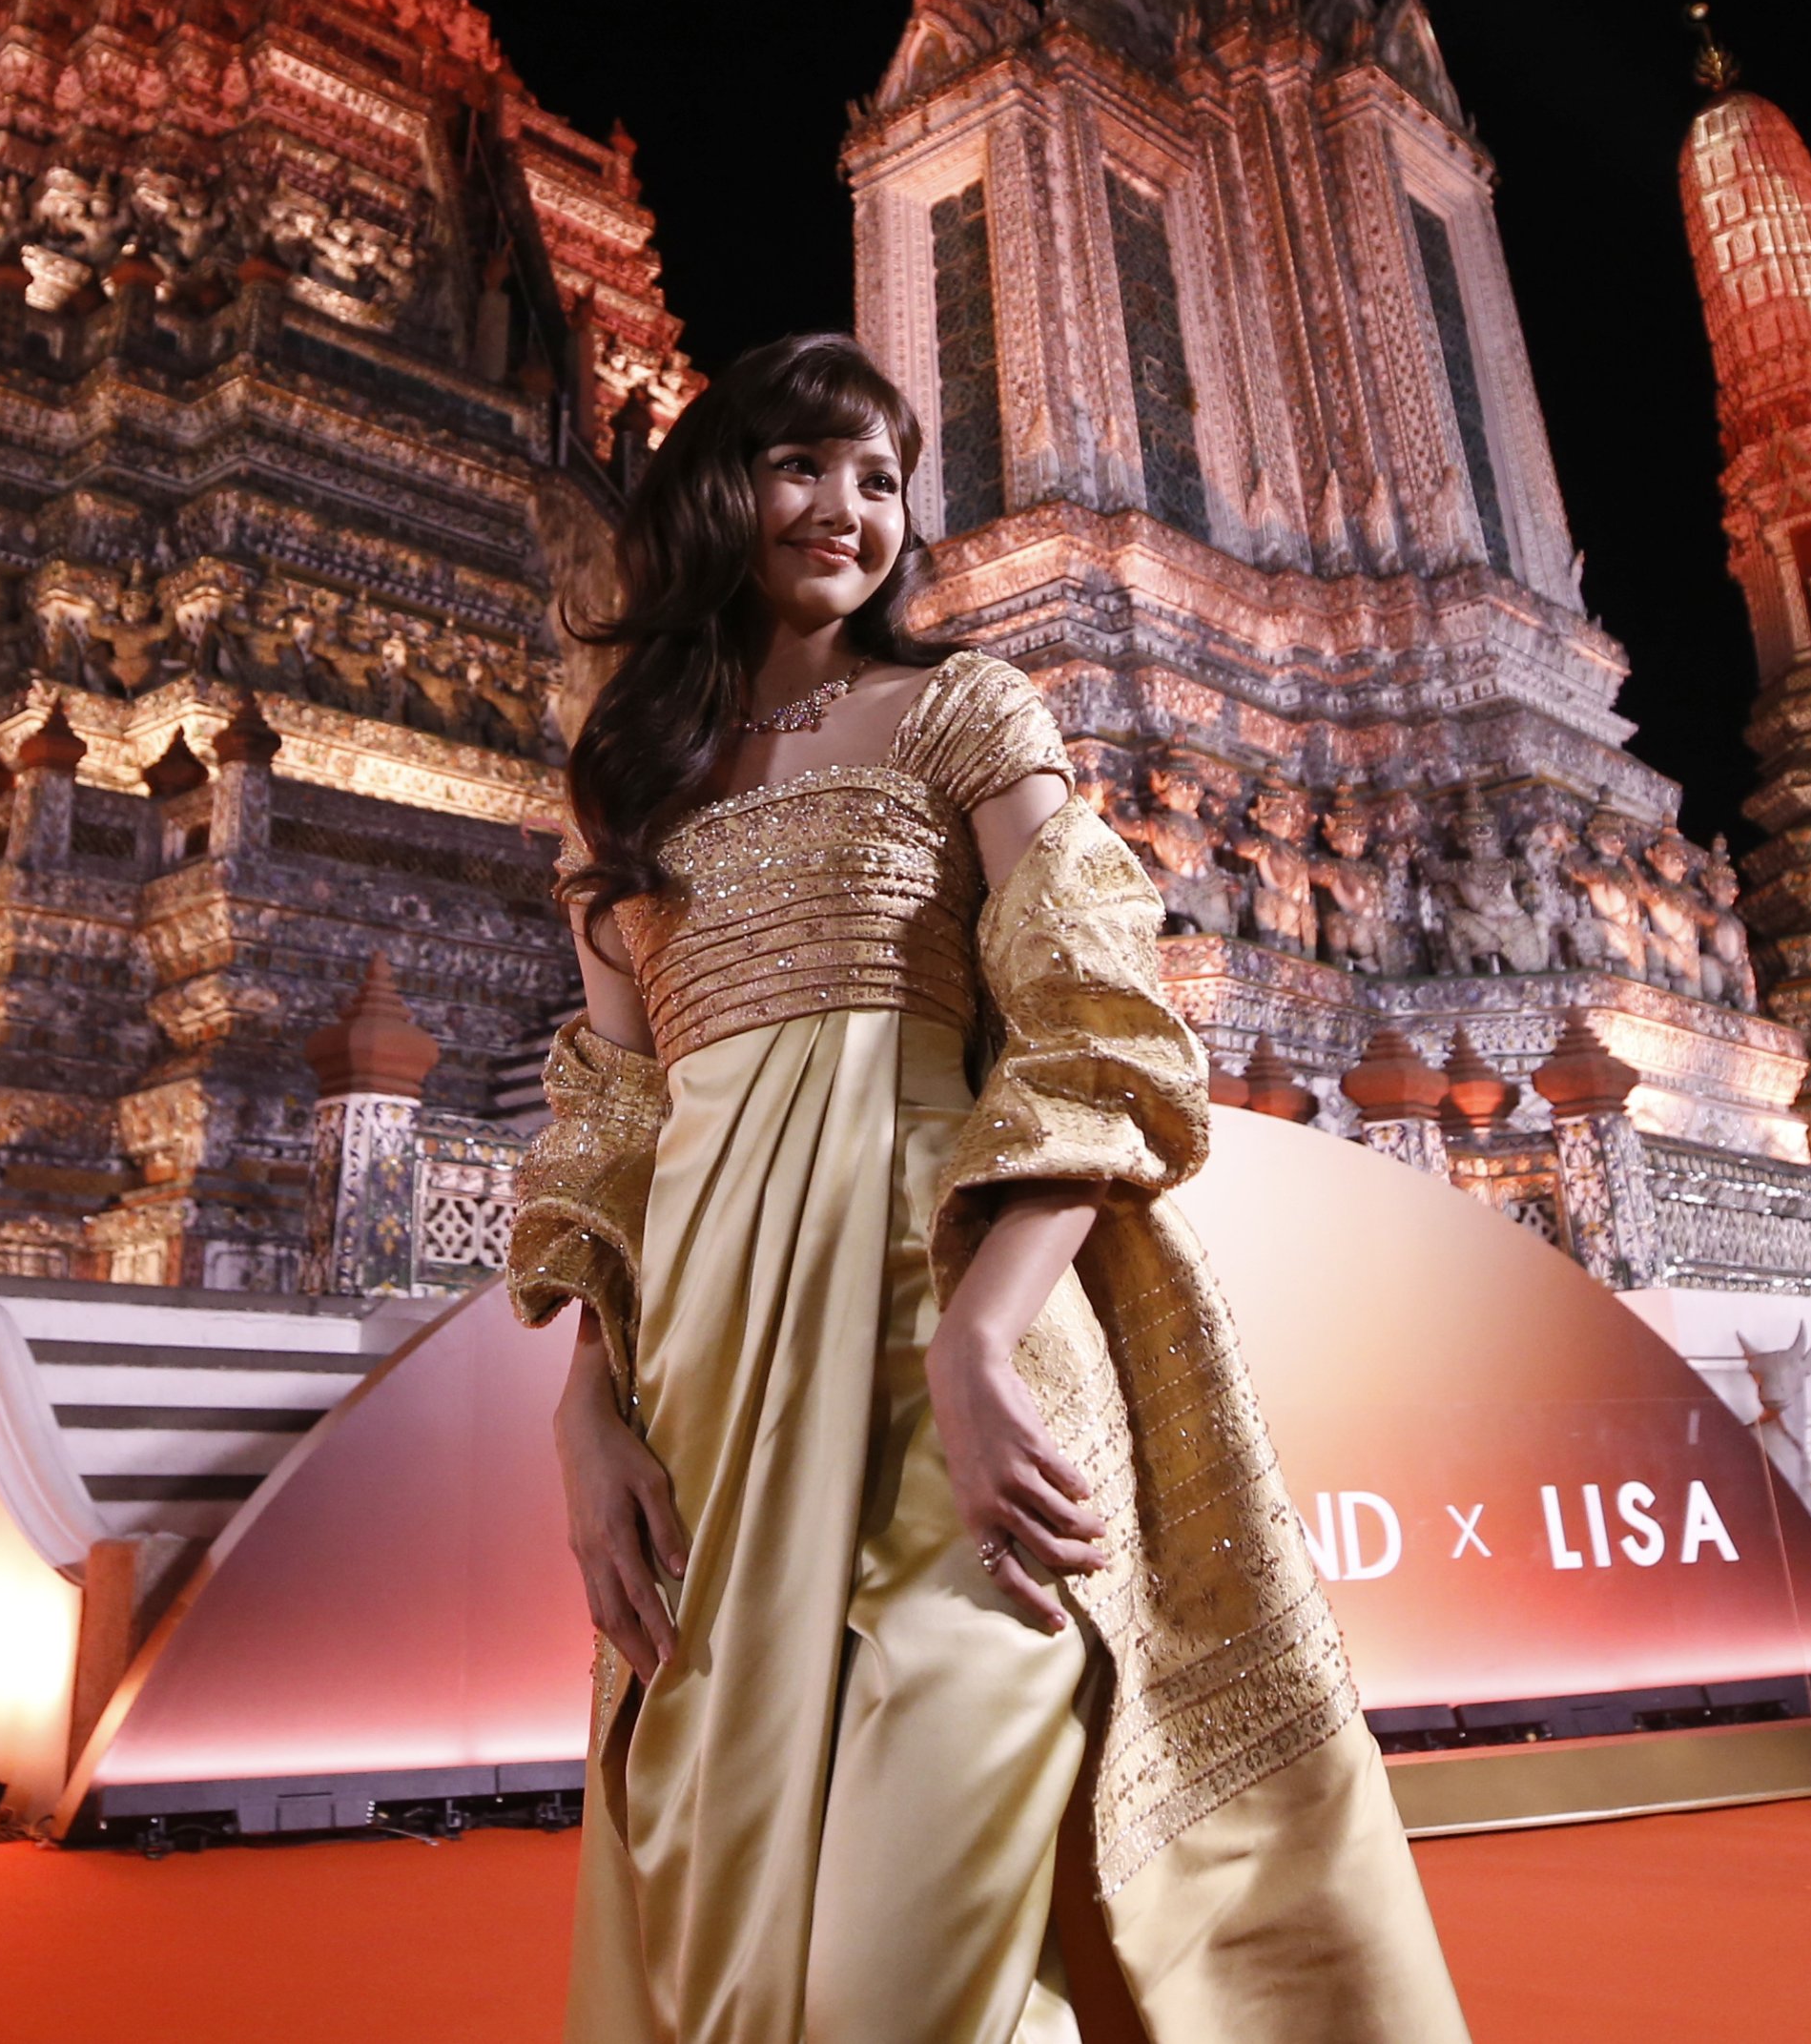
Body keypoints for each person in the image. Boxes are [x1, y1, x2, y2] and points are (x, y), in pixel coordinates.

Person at [507, 334, 1468, 2044]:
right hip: (708, 1392)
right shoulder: (624, 775)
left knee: (912, 1950)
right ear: (720, 487)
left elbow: (1096, 1019)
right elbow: (613, 1115)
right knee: (722, 1935)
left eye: (882, 479)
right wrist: (585, 1403)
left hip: (964, 1346)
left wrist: (981, 1338)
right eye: (807, 463)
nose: (849, 508)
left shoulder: (964, 708)